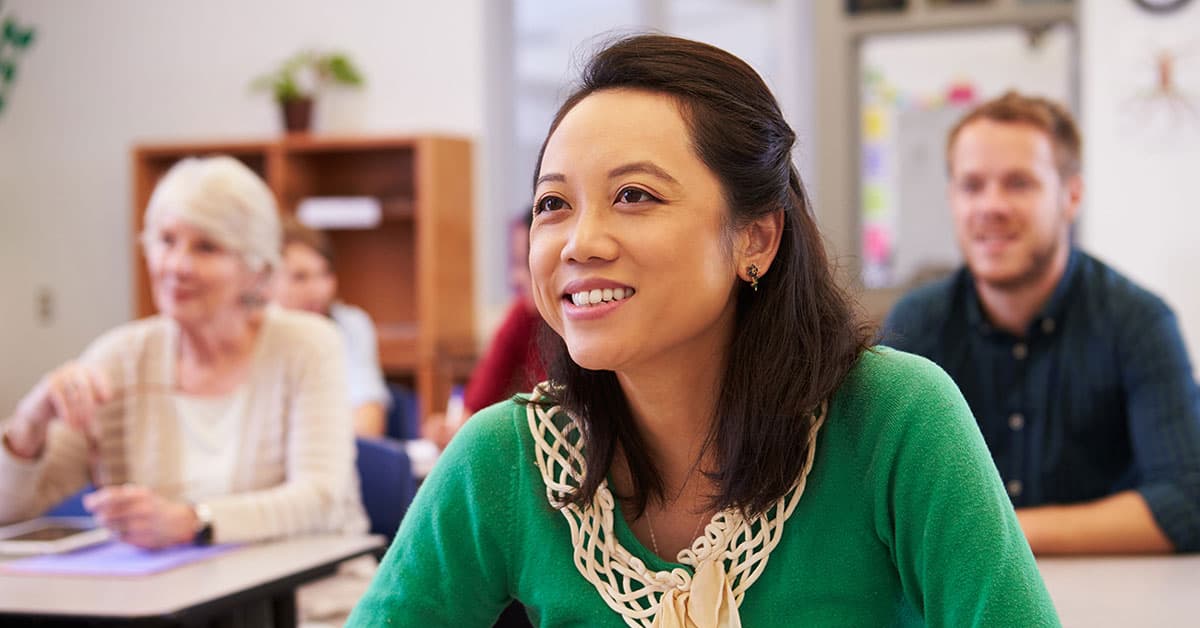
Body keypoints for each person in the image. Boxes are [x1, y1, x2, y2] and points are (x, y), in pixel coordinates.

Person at [349, 35, 1057, 626]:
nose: (579, 242)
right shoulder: (505, 458)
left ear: (756, 238)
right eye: (553, 203)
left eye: (634, 195)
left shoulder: (895, 417)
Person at [884, 91, 1200, 555]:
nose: (991, 205)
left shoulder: (1140, 323)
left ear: (1071, 197)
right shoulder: (914, 326)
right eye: (972, 185)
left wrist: (1000, 531)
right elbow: (877, 496)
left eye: (1018, 183)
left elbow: (1188, 500)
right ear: (952, 199)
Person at [0, 155, 367, 548]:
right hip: (165, 601)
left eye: (206, 247)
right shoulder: (119, 357)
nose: (176, 265)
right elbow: (12, 511)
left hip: (303, 599)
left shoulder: (308, 345)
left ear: (256, 271)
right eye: (166, 240)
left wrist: (193, 522)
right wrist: (29, 423)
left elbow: (320, 500)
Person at [423, 211, 545, 450]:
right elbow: (477, 403)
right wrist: (453, 428)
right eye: (514, 263)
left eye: (523, 264)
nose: (515, 277)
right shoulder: (523, 316)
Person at [273, 216, 391, 437]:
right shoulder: (256, 334)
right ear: (267, 281)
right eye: (300, 277)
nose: (319, 290)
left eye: (324, 274)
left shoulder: (351, 325)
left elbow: (369, 424)